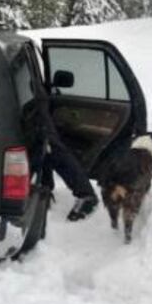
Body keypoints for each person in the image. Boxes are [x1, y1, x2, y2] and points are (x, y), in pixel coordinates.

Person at [22, 93, 98, 221]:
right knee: (44, 148)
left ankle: (84, 194)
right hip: (28, 104)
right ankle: (44, 189)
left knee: (48, 147)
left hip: (29, 106)